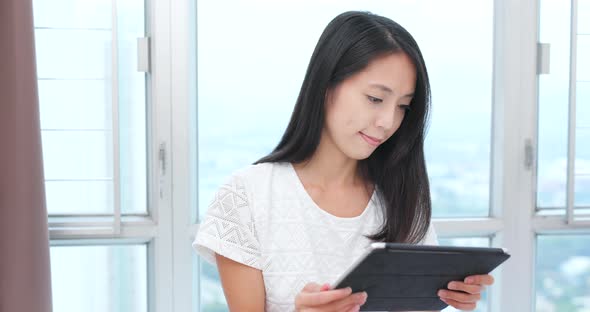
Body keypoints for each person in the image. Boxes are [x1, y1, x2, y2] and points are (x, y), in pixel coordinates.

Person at [193, 10, 494, 312]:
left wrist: (448, 297)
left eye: (403, 106)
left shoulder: (403, 197)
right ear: (326, 85)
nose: (388, 122)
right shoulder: (247, 197)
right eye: (375, 99)